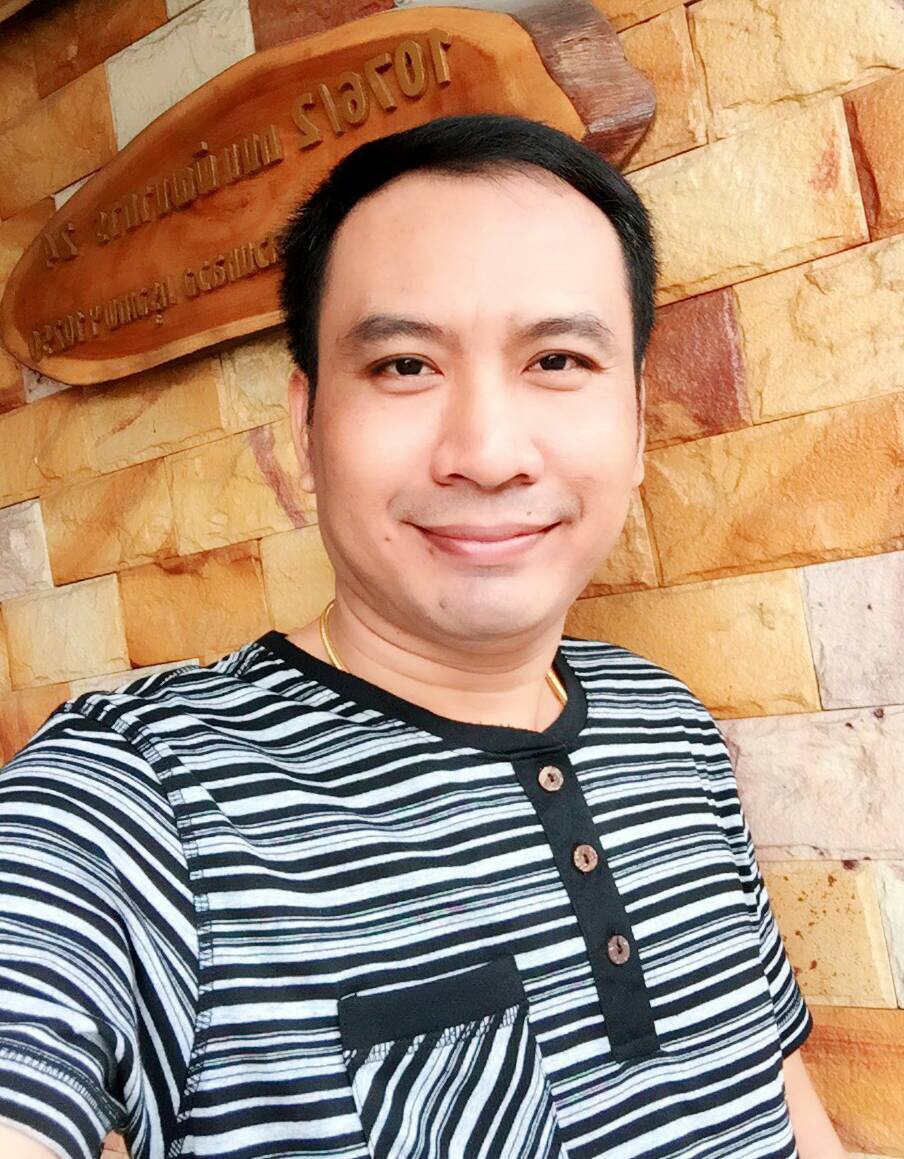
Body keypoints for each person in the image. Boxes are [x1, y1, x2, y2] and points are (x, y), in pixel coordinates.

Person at [0, 113, 846, 1159]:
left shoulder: (665, 722)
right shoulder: (138, 800)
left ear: (636, 422)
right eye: (404, 365)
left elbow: (784, 1101)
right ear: (304, 430)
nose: (486, 453)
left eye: (557, 359)